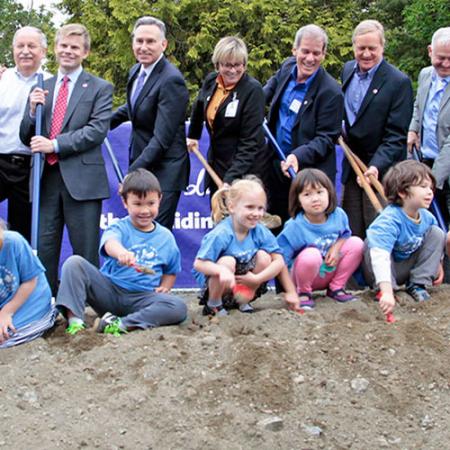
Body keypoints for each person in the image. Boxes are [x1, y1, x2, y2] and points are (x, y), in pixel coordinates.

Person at [20, 24, 114, 295]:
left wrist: (55, 145)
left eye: (75, 47)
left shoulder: (100, 88)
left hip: (82, 183)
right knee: (44, 247)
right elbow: (26, 134)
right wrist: (31, 110)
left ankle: (85, 306)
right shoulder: (41, 87)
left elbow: (96, 131)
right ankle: (46, 308)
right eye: (64, 45)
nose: (68, 51)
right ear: (55, 49)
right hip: (44, 180)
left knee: (84, 250)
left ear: (85, 52)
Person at [55, 169, 187, 335]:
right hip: (109, 292)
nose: (145, 210)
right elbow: (110, 243)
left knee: (178, 307)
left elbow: (171, 271)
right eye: (137, 204)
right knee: (74, 263)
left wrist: (165, 288)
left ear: (160, 200)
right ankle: (76, 323)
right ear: (125, 202)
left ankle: (119, 324)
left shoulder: (166, 237)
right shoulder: (119, 227)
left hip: (142, 298)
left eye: (151, 203)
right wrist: (121, 253)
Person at [110, 16, 189, 229]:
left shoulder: (171, 79)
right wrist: (101, 122)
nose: (143, 47)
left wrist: (131, 175)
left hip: (165, 170)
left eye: (150, 42)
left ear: (163, 44)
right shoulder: (136, 71)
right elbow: (133, 107)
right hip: (144, 167)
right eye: (139, 41)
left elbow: (162, 139)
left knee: (156, 235)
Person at [263, 24, 344, 225]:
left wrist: (297, 156)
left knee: (303, 236)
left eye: (317, 53)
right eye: (305, 51)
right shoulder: (286, 68)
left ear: (324, 54)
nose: (310, 58)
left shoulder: (331, 92)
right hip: (275, 167)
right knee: (274, 227)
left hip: (308, 175)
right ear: (294, 50)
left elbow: (326, 138)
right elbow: (262, 96)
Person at [341, 19, 414, 239]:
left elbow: (396, 136)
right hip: (352, 164)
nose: (366, 54)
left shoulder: (398, 82)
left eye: (372, 48)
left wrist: (376, 166)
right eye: (360, 48)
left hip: (381, 169)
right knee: (352, 228)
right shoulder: (347, 70)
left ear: (382, 47)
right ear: (353, 46)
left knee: (377, 230)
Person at [193, 177, 285, 316]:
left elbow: (279, 261)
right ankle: (213, 304)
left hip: (245, 283)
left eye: (260, 208)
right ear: (232, 207)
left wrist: (257, 279)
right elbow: (199, 264)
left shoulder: (260, 230)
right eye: (249, 207)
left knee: (264, 257)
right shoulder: (221, 233)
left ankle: (242, 300)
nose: (256, 213)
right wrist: (221, 271)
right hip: (218, 284)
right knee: (227, 262)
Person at [364, 160, 446, 316]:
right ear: (402, 192)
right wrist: (387, 291)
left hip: (408, 265)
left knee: (437, 233)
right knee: (371, 244)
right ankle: (389, 291)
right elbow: (380, 257)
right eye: (423, 187)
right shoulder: (389, 220)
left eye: (430, 187)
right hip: (387, 272)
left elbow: (435, 245)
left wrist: (437, 265)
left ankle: (417, 284)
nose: (430, 192)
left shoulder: (426, 217)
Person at [187, 36, 266, 197]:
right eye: (227, 65)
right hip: (217, 165)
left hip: (244, 174)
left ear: (244, 64)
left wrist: (230, 180)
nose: (232, 70)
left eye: (237, 65)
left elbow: (250, 143)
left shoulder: (253, 91)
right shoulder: (211, 82)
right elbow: (199, 104)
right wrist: (193, 135)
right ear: (217, 65)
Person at [277, 169, 364, 310]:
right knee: (312, 254)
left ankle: (336, 287)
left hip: (327, 271)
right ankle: (303, 293)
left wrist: (336, 249)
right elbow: (280, 259)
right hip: (302, 276)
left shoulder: (338, 214)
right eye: (307, 194)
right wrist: (289, 290)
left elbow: (345, 235)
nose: (315, 199)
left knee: (357, 243)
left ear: (329, 192)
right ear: (298, 200)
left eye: (319, 192)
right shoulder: (295, 226)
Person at [0, 26, 50, 242]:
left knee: (21, 234)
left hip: (31, 167)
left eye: (32, 46)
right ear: (12, 50)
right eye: (20, 46)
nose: (25, 51)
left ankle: (17, 275)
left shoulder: (52, 82)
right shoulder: (3, 78)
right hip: (0, 160)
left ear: (44, 51)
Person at [408, 27, 450, 220]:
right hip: (426, 159)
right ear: (430, 51)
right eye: (441, 57)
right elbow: (418, 106)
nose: (446, 64)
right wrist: (413, 129)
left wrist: (433, 180)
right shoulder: (425, 75)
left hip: (444, 166)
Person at [0, 220, 56, 348]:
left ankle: (46, 318)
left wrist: (6, 312)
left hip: (30, 299)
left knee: (5, 335)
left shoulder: (13, 241)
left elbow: (30, 281)